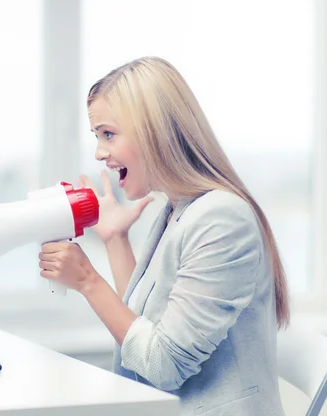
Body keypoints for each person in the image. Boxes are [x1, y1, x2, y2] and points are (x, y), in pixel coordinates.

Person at [38, 56, 288, 415]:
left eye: (108, 133)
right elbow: (145, 326)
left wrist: (87, 280)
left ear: (153, 129)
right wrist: (115, 240)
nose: (99, 152)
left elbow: (163, 365)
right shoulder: (177, 210)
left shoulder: (221, 218)